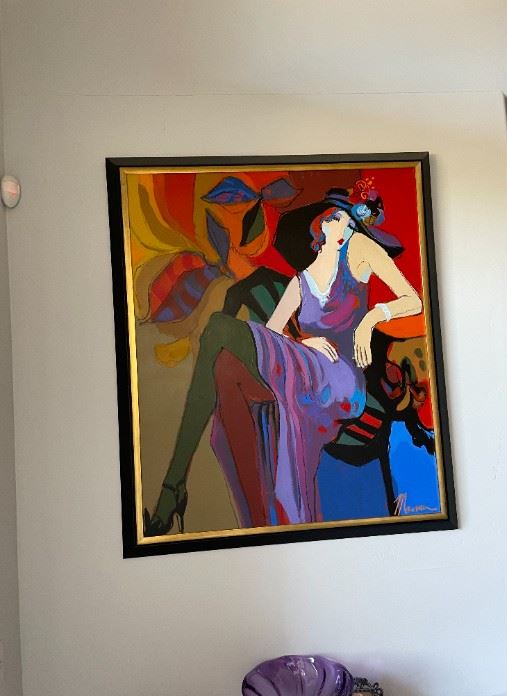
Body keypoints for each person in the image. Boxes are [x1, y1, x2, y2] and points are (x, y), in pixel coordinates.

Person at [143, 189, 422, 536]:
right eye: (337, 218)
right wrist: (304, 341)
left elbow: (413, 300)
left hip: (342, 380)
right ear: (321, 224)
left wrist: (371, 319)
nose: (343, 226)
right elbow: (273, 333)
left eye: (350, 222)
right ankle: (180, 486)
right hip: (308, 367)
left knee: (219, 329)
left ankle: (173, 487)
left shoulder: (359, 251)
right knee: (225, 362)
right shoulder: (301, 281)